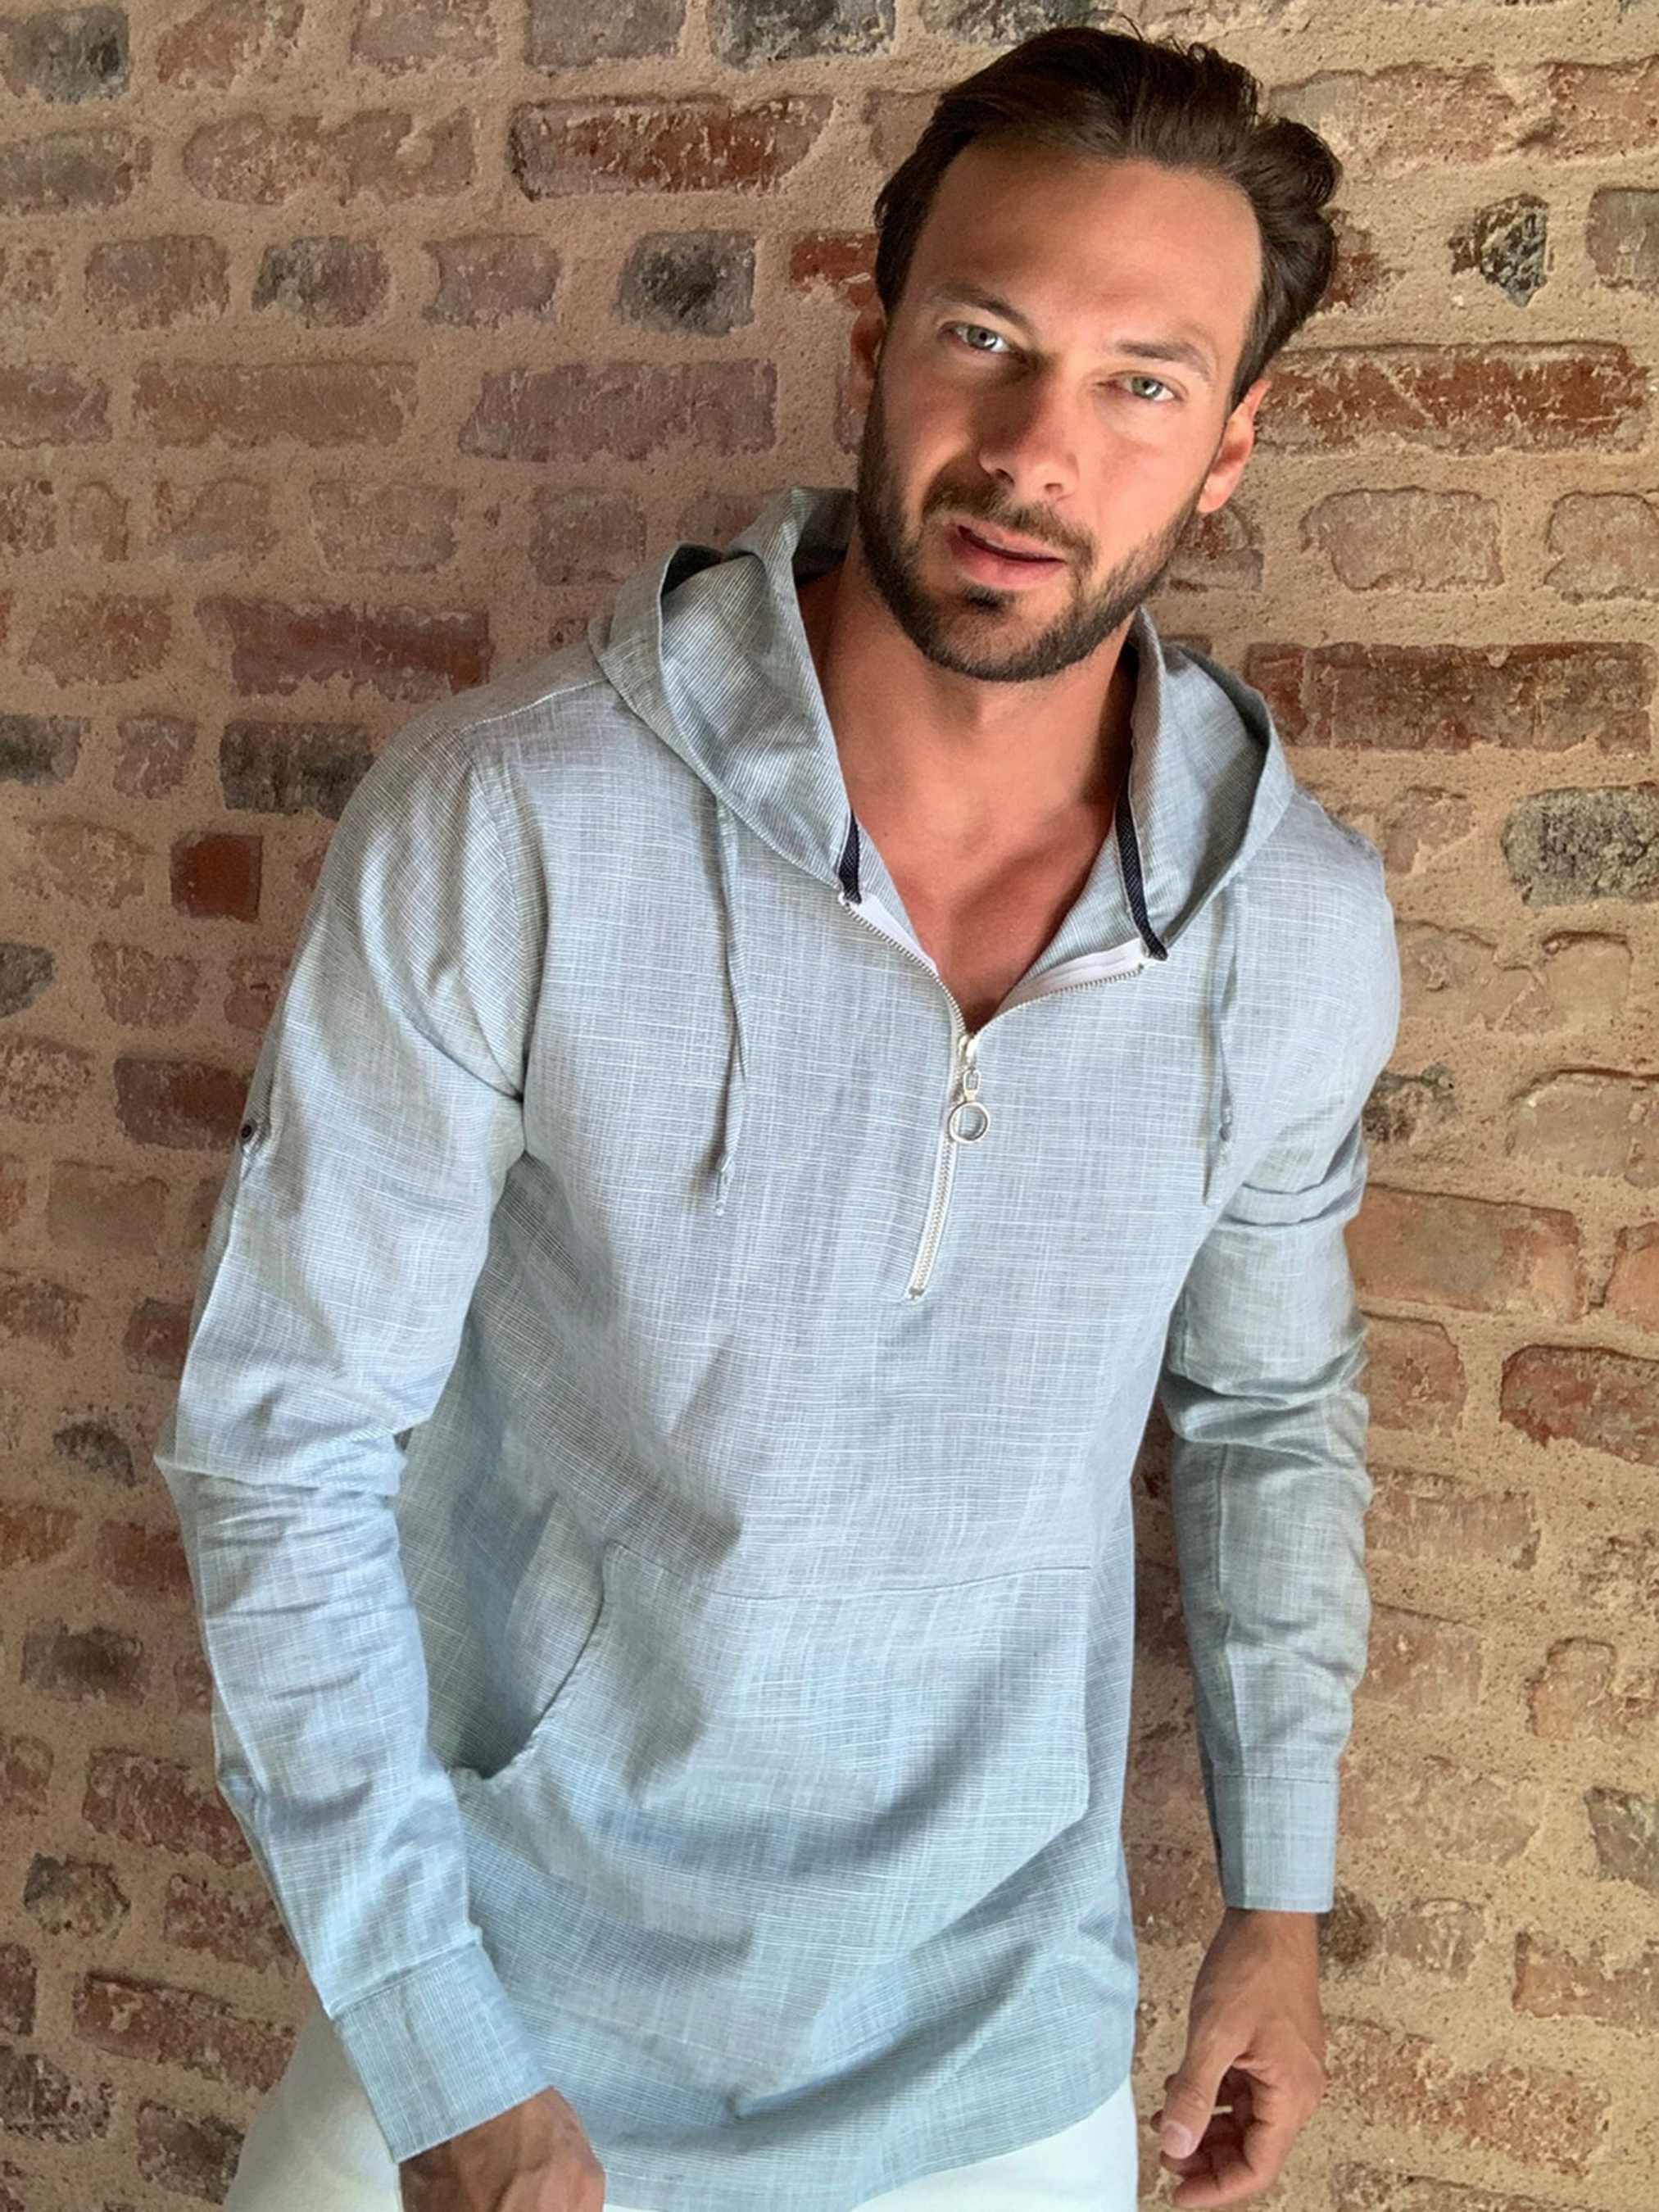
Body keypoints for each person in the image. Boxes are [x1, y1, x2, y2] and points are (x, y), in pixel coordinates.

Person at [156, 23, 1399, 2212]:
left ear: (1228, 450)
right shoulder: (514, 819)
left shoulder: (1287, 925)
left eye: (1141, 382)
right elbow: (283, 1433)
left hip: (991, 2063)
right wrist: (443, 2056)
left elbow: (1269, 1414)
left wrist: (1276, 1903)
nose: (1035, 449)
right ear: (873, 344)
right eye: (986, 338)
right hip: (497, 2011)